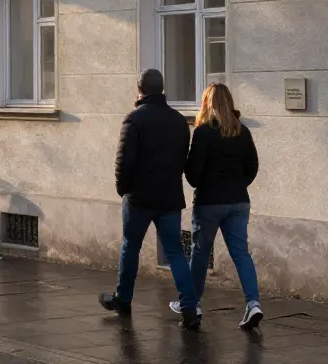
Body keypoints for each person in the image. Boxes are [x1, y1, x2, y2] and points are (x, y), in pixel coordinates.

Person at [99, 68, 201, 330]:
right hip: (169, 197)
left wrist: (123, 189)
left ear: (140, 89)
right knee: (175, 251)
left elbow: (124, 161)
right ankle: (189, 305)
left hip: (139, 197)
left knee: (130, 247)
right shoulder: (179, 121)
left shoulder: (134, 119)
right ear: (162, 88)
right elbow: (182, 160)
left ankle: (124, 299)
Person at [169, 83, 263, 330]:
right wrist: (237, 185)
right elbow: (252, 167)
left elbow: (193, 175)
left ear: (206, 103)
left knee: (200, 254)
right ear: (229, 102)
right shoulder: (242, 132)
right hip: (239, 201)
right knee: (241, 254)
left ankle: (192, 304)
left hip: (209, 202)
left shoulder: (203, 133)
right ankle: (253, 303)